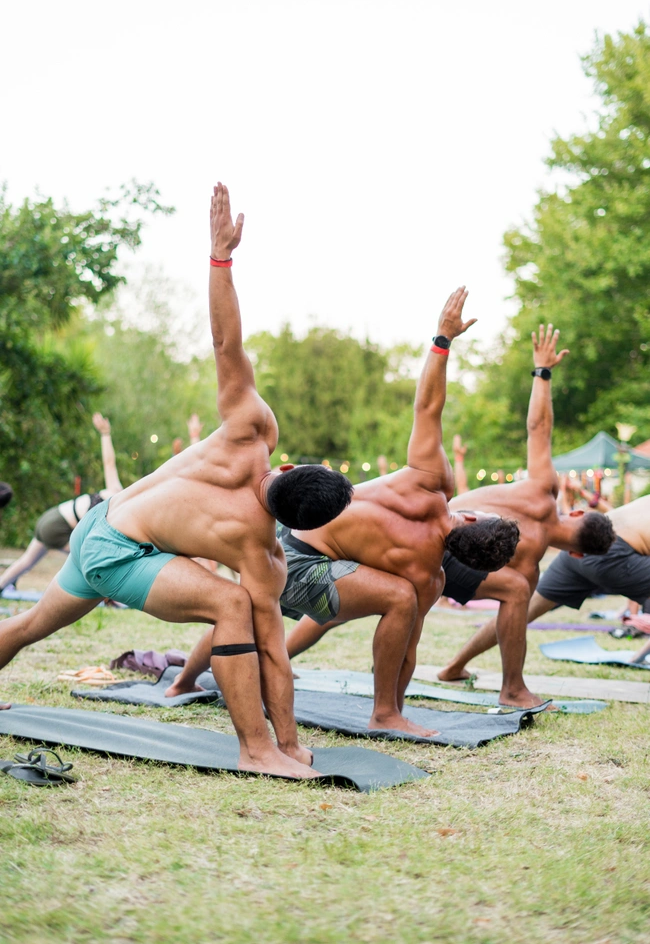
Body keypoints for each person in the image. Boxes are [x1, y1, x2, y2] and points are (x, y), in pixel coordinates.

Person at [0, 183, 353, 776]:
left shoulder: (250, 429)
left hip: (100, 525)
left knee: (33, 624)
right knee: (232, 602)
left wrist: (221, 257)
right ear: (296, 525)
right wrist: (288, 740)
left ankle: (268, 748)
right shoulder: (263, 552)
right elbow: (274, 650)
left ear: (288, 467)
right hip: (117, 549)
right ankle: (256, 749)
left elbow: (225, 343)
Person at [167, 286, 521, 735]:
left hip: (289, 542)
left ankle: (183, 682)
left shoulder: (431, 480)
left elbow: (428, 405)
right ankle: (384, 711)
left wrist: (442, 339)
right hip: (299, 561)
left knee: (256, 609)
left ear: (471, 517)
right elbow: (407, 651)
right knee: (392, 599)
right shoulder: (429, 577)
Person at [436, 326, 616, 704]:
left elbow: (539, 429)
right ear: (577, 555)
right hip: (439, 548)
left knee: (513, 599)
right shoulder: (529, 567)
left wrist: (542, 373)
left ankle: (459, 668)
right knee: (516, 594)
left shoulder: (541, 492)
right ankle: (512, 688)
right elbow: (510, 620)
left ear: (578, 510)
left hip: (428, 530)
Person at [0, 414, 123, 596]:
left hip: (51, 518)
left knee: (26, 561)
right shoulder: (117, 494)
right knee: (86, 561)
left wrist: (105, 433)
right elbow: (109, 463)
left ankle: (1, 585)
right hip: (58, 527)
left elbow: (109, 464)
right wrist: (105, 434)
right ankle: (100, 597)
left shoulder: (115, 493)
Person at [527, 492, 650, 659]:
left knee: (520, 612)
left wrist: (638, 657)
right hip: (610, 551)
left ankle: (478, 652)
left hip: (580, 548)